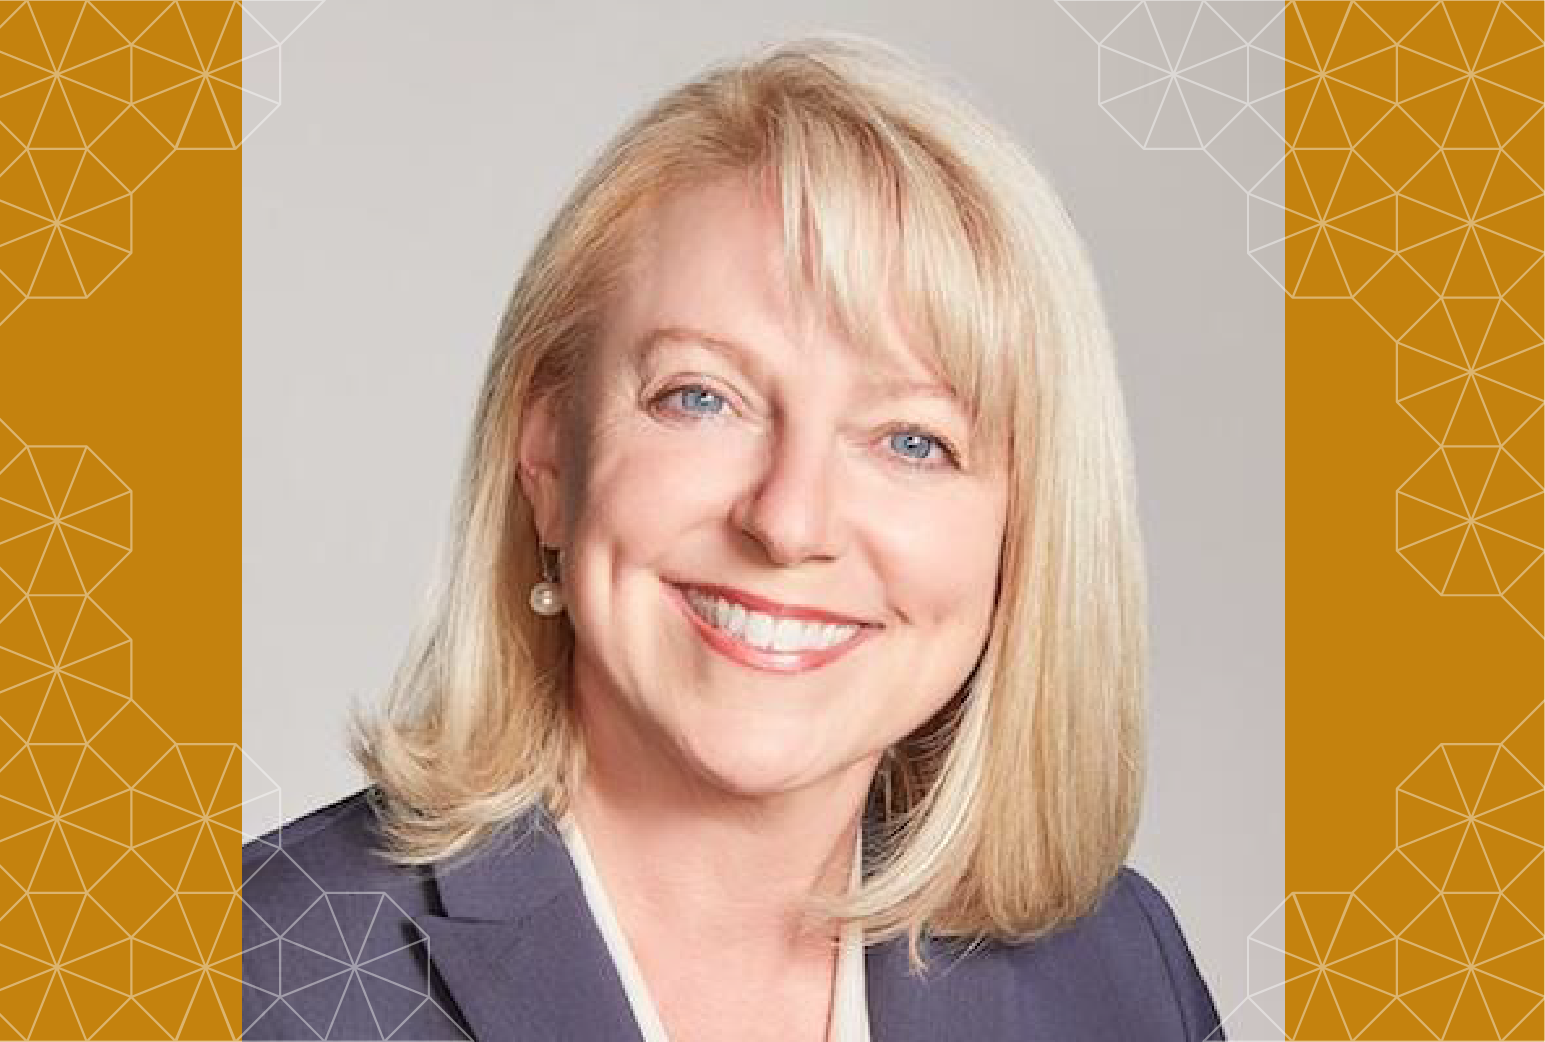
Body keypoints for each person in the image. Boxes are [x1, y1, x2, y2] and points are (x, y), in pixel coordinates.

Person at [240, 34, 1224, 1042]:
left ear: (1027, 531)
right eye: (702, 397)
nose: (789, 519)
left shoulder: (1117, 970)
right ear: (545, 457)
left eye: (913, 440)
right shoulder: (259, 978)